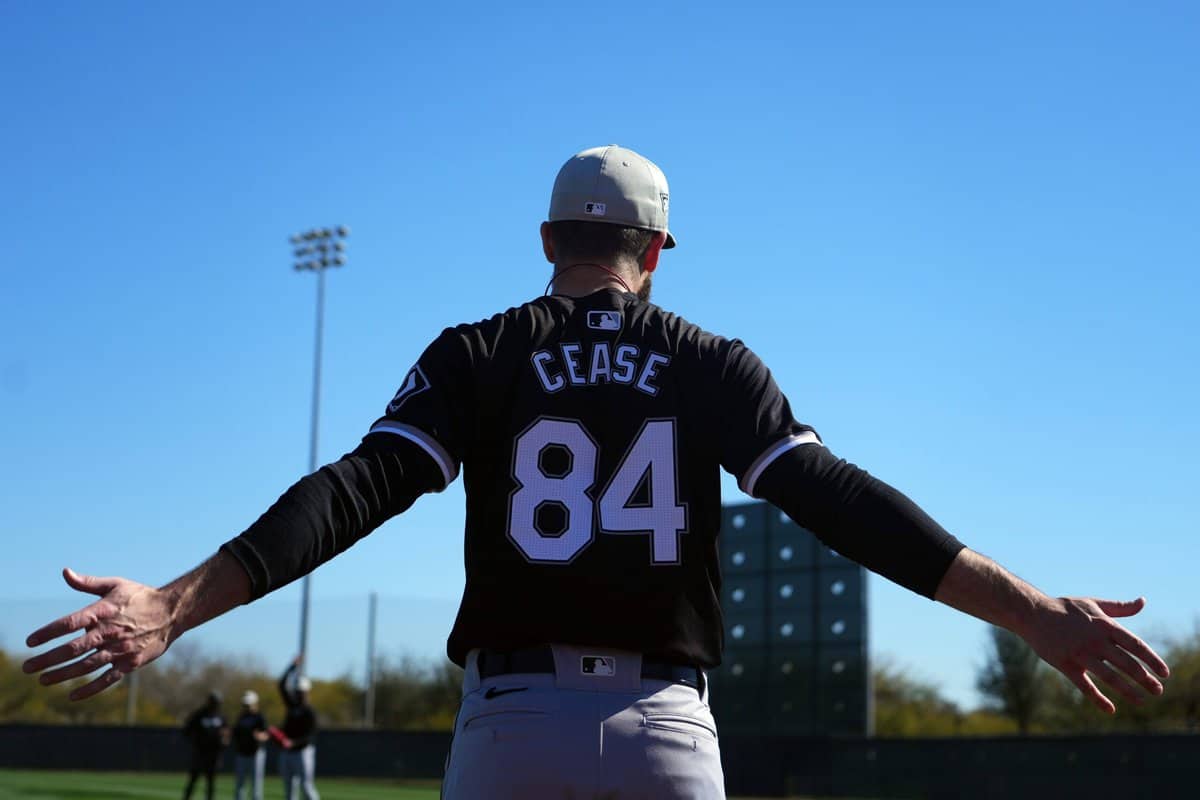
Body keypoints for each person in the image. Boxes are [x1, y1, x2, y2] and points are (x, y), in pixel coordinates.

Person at [21, 145, 1171, 799]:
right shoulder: (710, 361)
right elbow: (842, 501)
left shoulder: (478, 351)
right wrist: (1030, 611)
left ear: (546, 239)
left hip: (511, 722)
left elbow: (350, 491)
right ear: (657, 251)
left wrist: (173, 603)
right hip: (668, 725)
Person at [278, 657, 319, 800]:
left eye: (301, 692)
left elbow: (310, 736)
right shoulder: (292, 705)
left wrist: (294, 742)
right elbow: (281, 685)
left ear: (306, 692)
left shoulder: (310, 712)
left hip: (303, 752)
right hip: (288, 752)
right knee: (289, 791)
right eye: (297, 691)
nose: (298, 694)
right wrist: (292, 667)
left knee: (307, 787)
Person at [181, 691, 226, 800]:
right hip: (200, 753)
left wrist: (224, 740)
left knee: (211, 781)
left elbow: (226, 731)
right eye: (214, 701)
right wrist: (196, 741)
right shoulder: (200, 714)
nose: (215, 704)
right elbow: (187, 729)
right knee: (193, 779)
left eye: (217, 702)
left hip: (214, 754)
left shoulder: (220, 716)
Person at [231, 690, 269, 800]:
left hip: (255, 753)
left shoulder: (259, 717)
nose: (246, 707)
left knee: (256, 786)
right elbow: (236, 733)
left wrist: (260, 736)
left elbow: (266, 734)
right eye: (245, 704)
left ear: (255, 703)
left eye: (248, 704)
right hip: (242, 753)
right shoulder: (241, 717)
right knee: (240, 785)